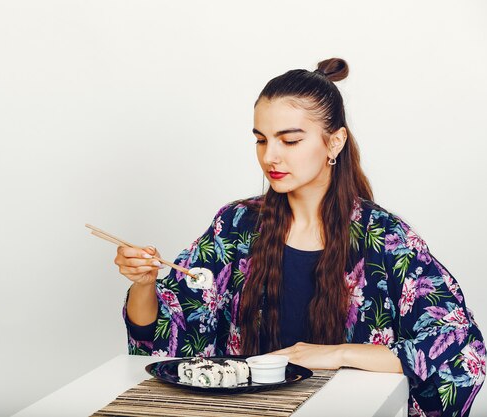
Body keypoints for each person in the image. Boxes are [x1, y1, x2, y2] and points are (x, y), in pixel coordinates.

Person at [113, 58, 485, 416]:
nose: (270, 157)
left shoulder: (385, 239)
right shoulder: (235, 226)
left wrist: (336, 353)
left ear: (334, 142)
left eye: (289, 141)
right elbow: (165, 339)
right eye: (261, 140)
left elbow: (455, 348)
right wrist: (145, 285)